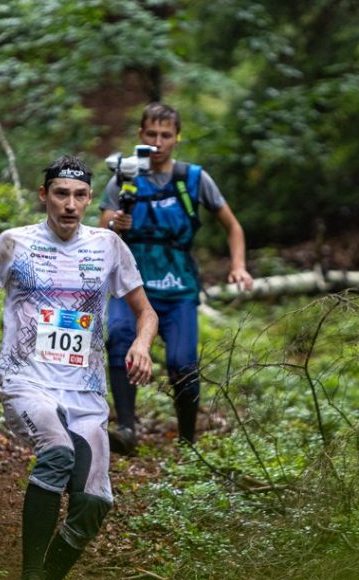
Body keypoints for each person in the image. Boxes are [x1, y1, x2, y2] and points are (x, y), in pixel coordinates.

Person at [0, 155, 158, 580]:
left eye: (80, 195)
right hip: (28, 384)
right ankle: (30, 576)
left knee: (95, 503)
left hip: (85, 395)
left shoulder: (108, 247)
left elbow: (147, 311)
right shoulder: (14, 244)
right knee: (58, 453)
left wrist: (141, 345)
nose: (71, 204)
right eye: (61, 194)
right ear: (44, 196)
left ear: (88, 199)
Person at [99, 103, 253, 453]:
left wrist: (239, 265)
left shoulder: (193, 179)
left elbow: (233, 226)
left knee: (182, 363)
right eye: (151, 135)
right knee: (121, 337)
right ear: (140, 136)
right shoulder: (124, 177)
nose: (158, 143)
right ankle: (125, 428)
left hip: (178, 286)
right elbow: (100, 232)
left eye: (165, 135)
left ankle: (187, 440)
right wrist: (114, 225)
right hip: (131, 284)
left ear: (177, 138)